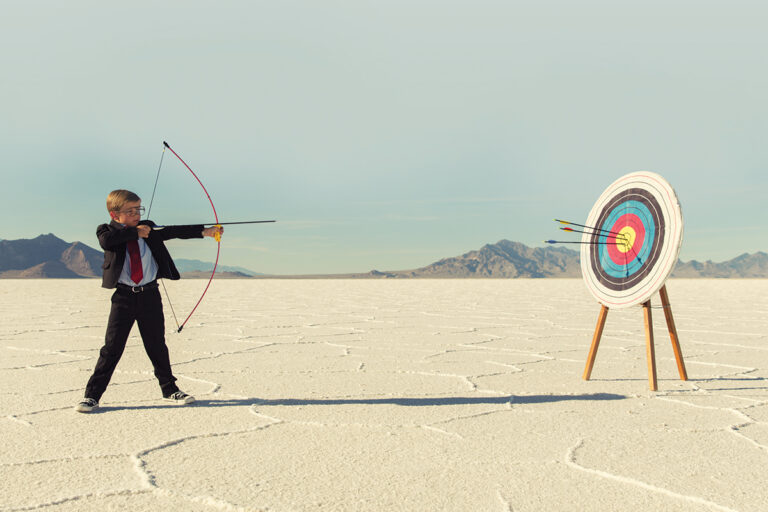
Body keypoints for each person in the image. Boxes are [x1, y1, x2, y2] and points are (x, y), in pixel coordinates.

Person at [75, 189, 223, 413]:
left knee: (156, 345)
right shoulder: (106, 230)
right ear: (115, 215)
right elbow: (107, 241)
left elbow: (173, 231)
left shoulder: (148, 228)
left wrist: (206, 231)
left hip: (150, 295)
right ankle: (92, 396)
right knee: (112, 348)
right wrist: (134, 233)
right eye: (130, 211)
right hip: (123, 298)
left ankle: (169, 389)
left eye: (138, 209)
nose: (136, 214)